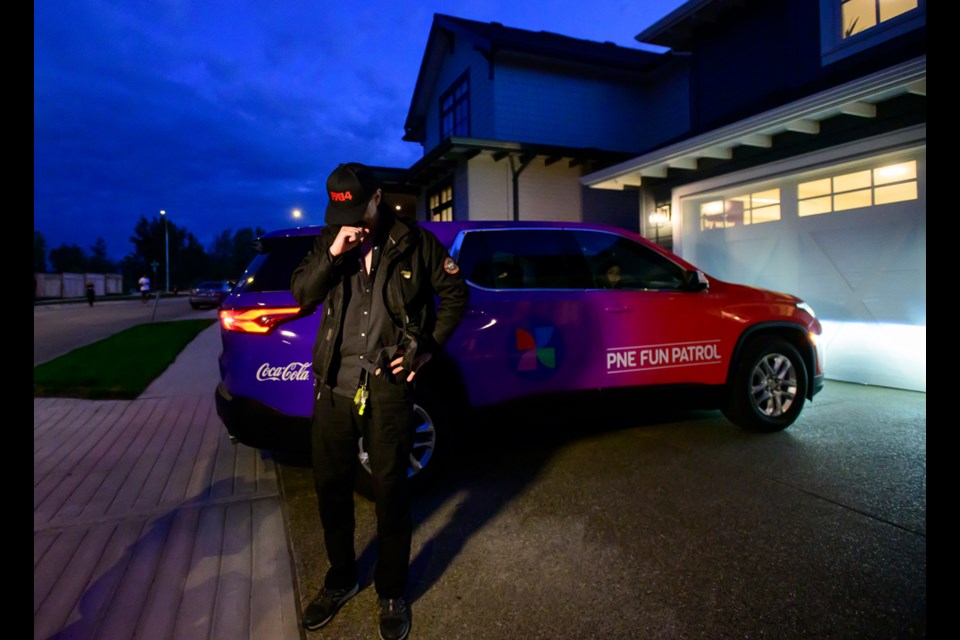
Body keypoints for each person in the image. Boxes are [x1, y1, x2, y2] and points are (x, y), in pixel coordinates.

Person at [291, 162, 468, 640]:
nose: (347, 221)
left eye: (356, 209)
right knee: (331, 489)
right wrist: (333, 251)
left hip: (387, 391)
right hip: (332, 388)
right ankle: (341, 579)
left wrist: (426, 348)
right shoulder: (330, 240)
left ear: (377, 197)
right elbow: (302, 293)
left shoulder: (416, 242)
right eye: (337, 211)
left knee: (390, 493)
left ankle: (391, 589)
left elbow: (454, 295)